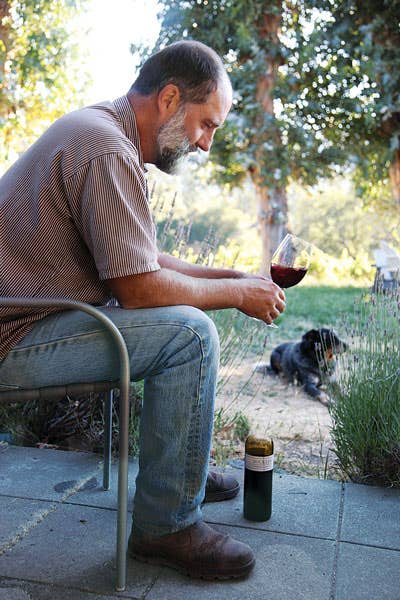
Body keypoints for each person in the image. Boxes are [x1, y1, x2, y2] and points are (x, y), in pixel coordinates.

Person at [0, 40, 285, 579]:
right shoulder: (107, 149)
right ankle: (166, 524)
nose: (206, 144)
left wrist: (234, 279)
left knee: (185, 327)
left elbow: (144, 259)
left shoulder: (104, 135)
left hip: (34, 320)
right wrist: (236, 297)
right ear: (170, 98)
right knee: (189, 336)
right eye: (207, 124)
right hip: (13, 338)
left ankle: (179, 476)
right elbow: (139, 289)